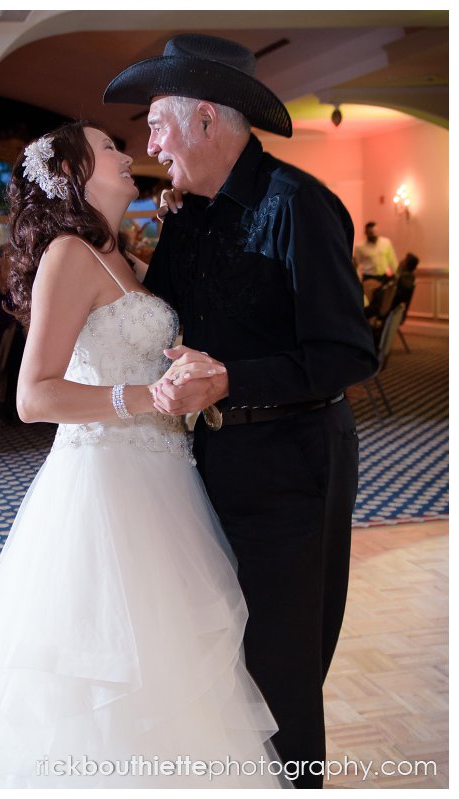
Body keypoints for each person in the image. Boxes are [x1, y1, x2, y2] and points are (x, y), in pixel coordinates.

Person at [0, 120, 285, 788]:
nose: (128, 155)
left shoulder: (118, 255)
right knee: (110, 676)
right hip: (106, 487)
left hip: (164, 484)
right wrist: (147, 397)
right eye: (111, 148)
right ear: (72, 173)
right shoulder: (68, 253)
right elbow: (34, 397)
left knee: (174, 669)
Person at [104, 34, 377, 788]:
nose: (149, 140)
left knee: (285, 668)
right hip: (212, 462)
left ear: (205, 123)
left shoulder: (300, 207)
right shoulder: (193, 213)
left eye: (158, 122)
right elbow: (160, 316)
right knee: (226, 653)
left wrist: (229, 379)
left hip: (296, 464)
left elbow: (350, 354)